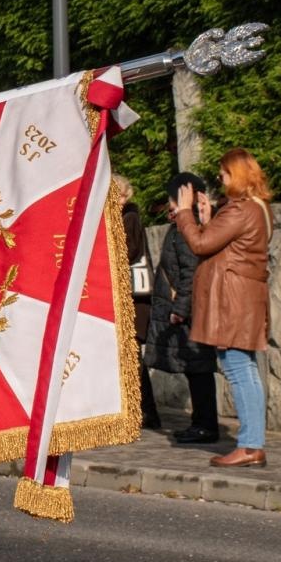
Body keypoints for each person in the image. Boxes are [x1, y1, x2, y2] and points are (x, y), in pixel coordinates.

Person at [172, 148, 274, 468]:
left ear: (237, 175)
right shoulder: (256, 208)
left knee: (238, 369)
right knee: (245, 369)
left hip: (233, 300)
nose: (221, 178)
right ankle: (252, 443)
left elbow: (201, 245)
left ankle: (250, 445)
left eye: (224, 174)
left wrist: (185, 213)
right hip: (243, 297)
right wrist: (207, 219)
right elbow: (217, 242)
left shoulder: (240, 210)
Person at [145, 173, 221, 443]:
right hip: (189, 311)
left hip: (190, 313)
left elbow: (191, 272)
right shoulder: (180, 227)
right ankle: (201, 423)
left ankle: (205, 424)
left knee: (198, 368)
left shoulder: (185, 232)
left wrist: (180, 308)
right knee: (194, 368)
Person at [116, 176, 158, 429]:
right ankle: (142, 410)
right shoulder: (127, 217)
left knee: (131, 356)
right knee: (131, 356)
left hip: (135, 297)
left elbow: (127, 251)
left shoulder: (129, 217)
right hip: (133, 298)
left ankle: (144, 411)